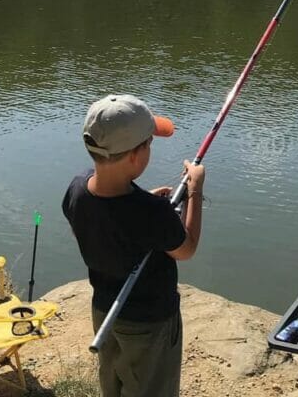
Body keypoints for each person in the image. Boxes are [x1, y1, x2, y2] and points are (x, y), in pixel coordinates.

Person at [63, 94, 206, 397]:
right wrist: (195, 190)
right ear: (134, 156)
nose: (150, 150)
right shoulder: (152, 213)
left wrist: (145, 200)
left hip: (104, 310)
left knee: (113, 384)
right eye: (149, 144)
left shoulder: (77, 188)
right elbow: (187, 249)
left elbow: (89, 229)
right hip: (149, 322)